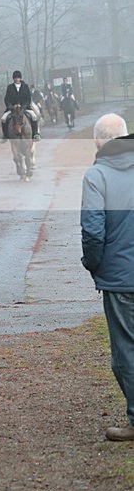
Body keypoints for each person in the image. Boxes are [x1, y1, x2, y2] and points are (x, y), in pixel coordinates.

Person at [81, 113, 134, 441]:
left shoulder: (96, 175)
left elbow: (93, 232)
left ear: (98, 142)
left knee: (125, 352)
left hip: (120, 279)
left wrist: (93, 265)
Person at [0, 70, 41, 143]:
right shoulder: (10, 87)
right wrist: (11, 107)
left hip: (24, 108)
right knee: (3, 118)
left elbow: (28, 98)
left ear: (20, 78)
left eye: (18, 77)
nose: (16, 79)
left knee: (34, 116)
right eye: (15, 78)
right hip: (13, 109)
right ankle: (5, 136)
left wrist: (23, 106)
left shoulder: (25, 86)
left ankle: (35, 134)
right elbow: (6, 99)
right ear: (13, 79)